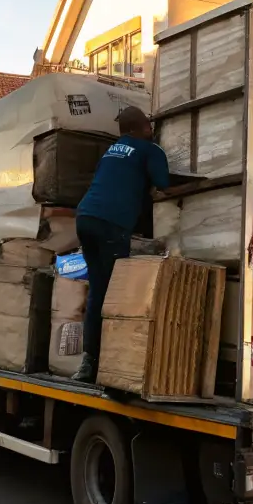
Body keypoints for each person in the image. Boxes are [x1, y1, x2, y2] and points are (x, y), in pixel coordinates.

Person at [73, 105, 169, 383]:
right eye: (148, 127)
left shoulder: (111, 151)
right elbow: (163, 183)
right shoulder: (150, 150)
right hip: (110, 224)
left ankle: (88, 362)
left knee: (98, 292)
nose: (152, 131)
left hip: (86, 218)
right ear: (139, 129)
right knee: (116, 294)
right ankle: (112, 364)